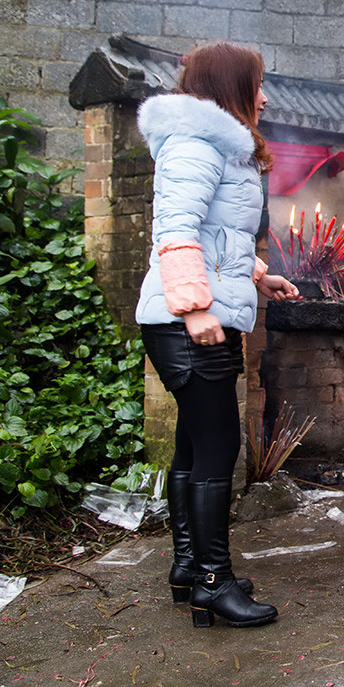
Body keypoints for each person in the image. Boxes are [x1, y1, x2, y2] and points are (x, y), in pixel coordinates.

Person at [136, 41, 298, 628]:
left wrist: (260, 274)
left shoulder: (217, 146)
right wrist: (195, 307)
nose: (263, 96)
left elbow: (216, 235)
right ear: (230, 86)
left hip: (194, 315)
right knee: (217, 451)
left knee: (194, 446)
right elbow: (175, 229)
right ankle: (212, 581)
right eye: (256, 84)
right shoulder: (195, 143)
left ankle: (189, 567)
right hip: (190, 322)